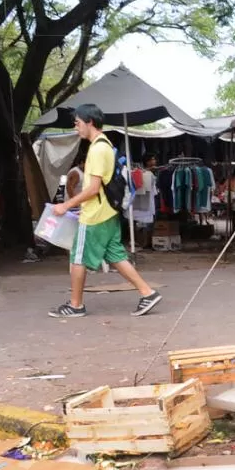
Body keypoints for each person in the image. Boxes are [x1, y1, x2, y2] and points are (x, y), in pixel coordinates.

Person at [48, 104, 162, 318]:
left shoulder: (97, 149)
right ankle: (148, 293)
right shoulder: (106, 145)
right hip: (108, 213)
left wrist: (66, 205)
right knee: (115, 255)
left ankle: (75, 305)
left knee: (78, 257)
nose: (76, 127)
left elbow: (92, 189)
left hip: (95, 216)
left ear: (89, 122)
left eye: (77, 123)